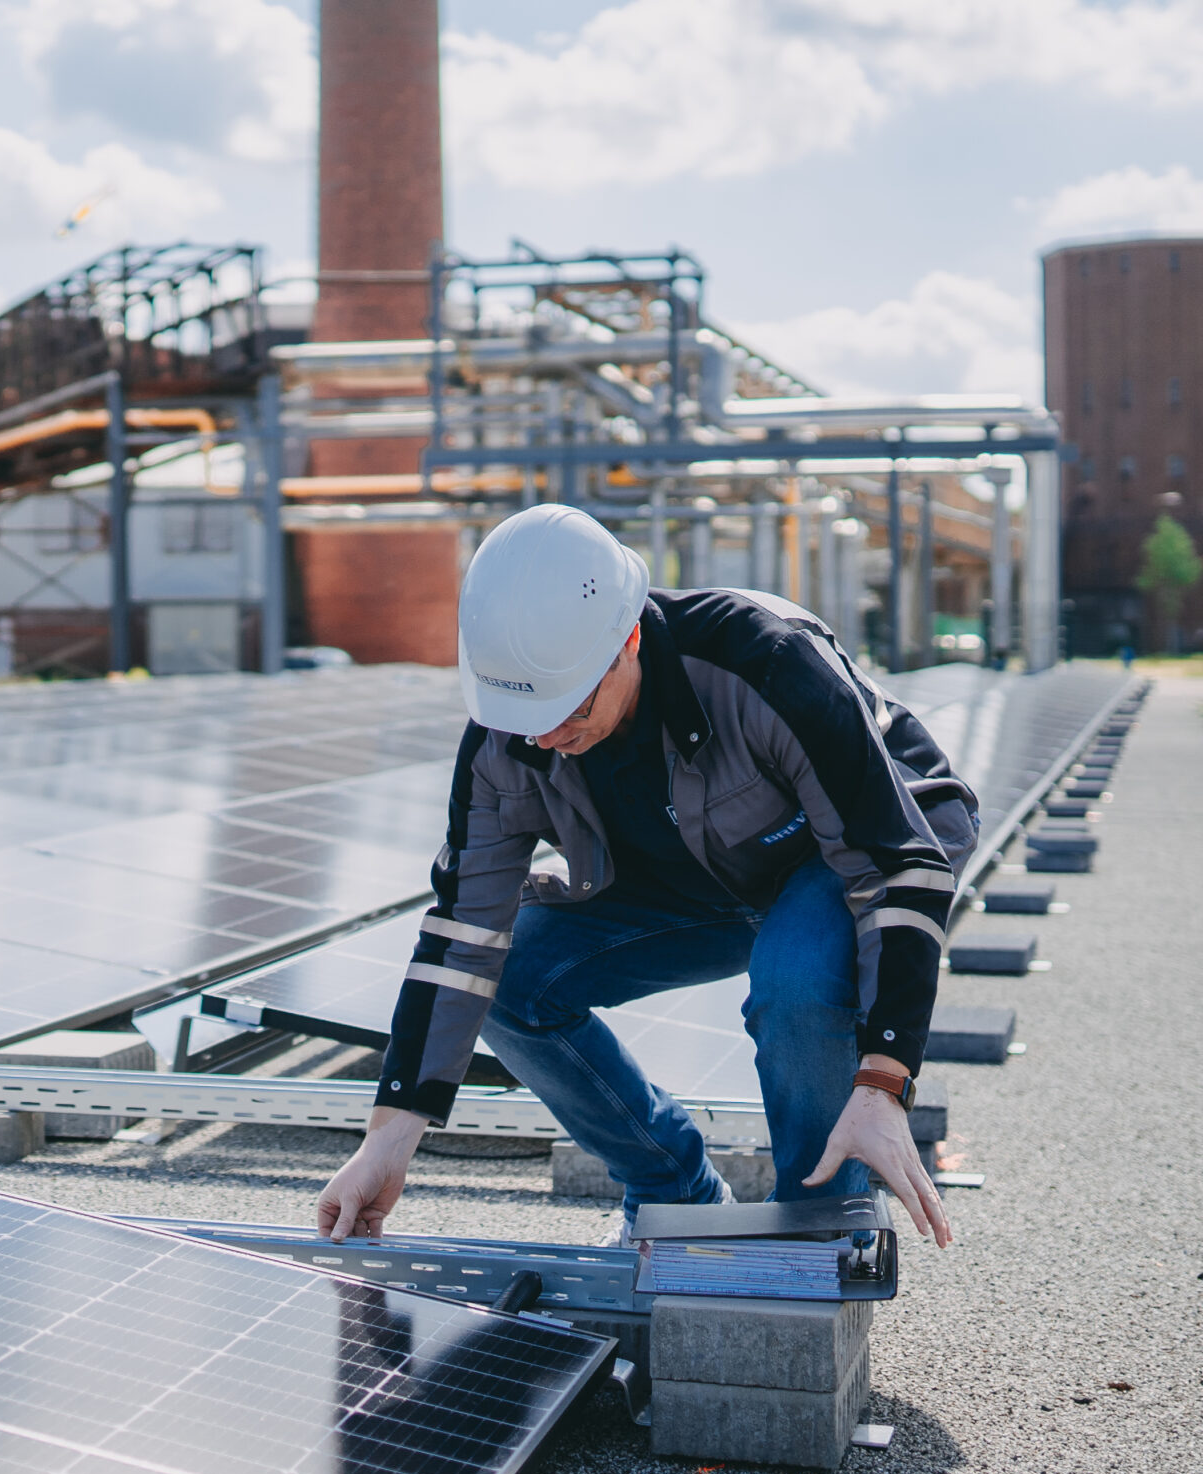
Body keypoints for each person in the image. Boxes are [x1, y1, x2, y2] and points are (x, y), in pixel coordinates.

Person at [316, 505, 972, 1250]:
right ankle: (676, 1193)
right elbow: (463, 936)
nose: (547, 738)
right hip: (707, 876)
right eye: (527, 718)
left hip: (856, 850)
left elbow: (895, 862)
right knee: (514, 976)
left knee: (796, 979)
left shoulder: (761, 660)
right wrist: (387, 1141)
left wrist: (884, 1082)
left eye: (569, 708)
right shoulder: (513, 738)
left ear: (627, 638)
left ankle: (821, 1238)